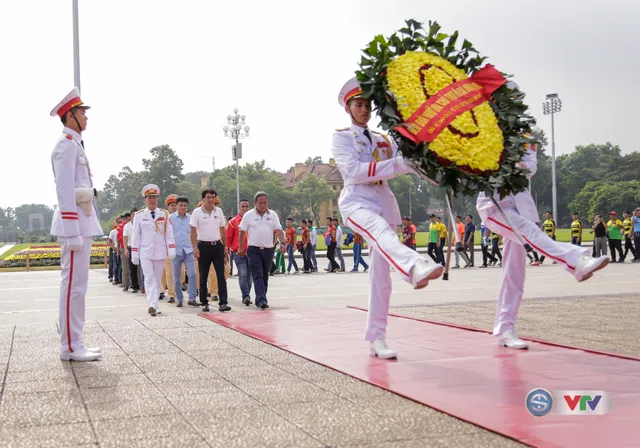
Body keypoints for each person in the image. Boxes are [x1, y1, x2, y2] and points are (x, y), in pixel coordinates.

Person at [332, 77, 443, 359]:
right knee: (382, 233)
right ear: (348, 108)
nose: (365, 109)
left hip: (384, 199)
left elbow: (411, 161)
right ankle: (414, 267)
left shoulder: (384, 139)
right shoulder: (342, 137)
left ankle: (377, 337)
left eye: (368, 104)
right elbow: (355, 171)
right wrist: (398, 164)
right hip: (357, 199)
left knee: (381, 277)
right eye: (359, 104)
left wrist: (440, 171)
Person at [477, 129, 609, 350]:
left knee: (514, 275)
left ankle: (505, 329)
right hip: (495, 206)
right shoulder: (481, 127)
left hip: (521, 207)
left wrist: (503, 166)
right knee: (531, 233)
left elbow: (530, 167)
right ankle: (576, 261)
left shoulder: (525, 136)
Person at [50, 87, 103, 362]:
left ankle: (76, 341)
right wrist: (71, 231)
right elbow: (64, 190)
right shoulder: (64, 146)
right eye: (82, 112)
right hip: (74, 226)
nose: (86, 117)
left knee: (79, 286)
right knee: (72, 286)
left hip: (82, 223)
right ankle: (70, 346)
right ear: (69, 116)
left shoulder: (75, 145)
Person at [130, 184, 176, 316]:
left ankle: (155, 305)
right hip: (145, 252)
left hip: (160, 252)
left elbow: (169, 233)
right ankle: (151, 304)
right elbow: (135, 235)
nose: (152, 200)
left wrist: (171, 248)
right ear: (145, 199)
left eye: (154, 197)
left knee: (157, 279)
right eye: (149, 197)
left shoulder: (164, 214)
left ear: (157, 199)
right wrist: (134, 253)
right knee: (149, 278)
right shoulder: (139, 216)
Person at [237, 191, 287, 309]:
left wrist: (283, 243)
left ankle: (261, 296)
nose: (263, 205)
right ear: (255, 203)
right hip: (253, 250)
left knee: (265, 276)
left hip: (268, 250)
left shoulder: (273, 215)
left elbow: (278, 230)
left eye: (265, 202)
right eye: (260, 203)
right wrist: (241, 247)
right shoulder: (248, 215)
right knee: (258, 274)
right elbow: (242, 232)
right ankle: (261, 300)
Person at [190, 189, 230, 313]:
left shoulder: (219, 211)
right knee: (203, 276)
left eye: (213, 197)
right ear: (203, 199)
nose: (211, 199)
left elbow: (222, 230)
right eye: (208, 197)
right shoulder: (197, 212)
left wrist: (225, 247)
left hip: (217, 246)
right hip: (203, 246)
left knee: (220, 276)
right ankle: (204, 302)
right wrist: (194, 247)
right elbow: (192, 231)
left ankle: (223, 302)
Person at [169, 196, 198, 307]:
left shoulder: (191, 218)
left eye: (185, 205)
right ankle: (179, 299)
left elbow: (195, 233)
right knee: (176, 277)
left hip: (189, 249)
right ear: (176, 206)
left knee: (192, 274)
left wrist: (195, 247)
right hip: (176, 251)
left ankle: (192, 298)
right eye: (181, 205)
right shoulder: (170, 218)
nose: (183, 207)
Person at [226, 199, 253, 305]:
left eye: (247, 206)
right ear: (239, 207)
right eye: (243, 206)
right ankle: (245, 295)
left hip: (252, 252)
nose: (245, 208)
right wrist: (227, 250)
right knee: (242, 273)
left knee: (249, 276)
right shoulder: (233, 222)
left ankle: (247, 295)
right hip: (238, 253)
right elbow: (228, 237)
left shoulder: (253, 220)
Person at [160, 194, 178, 302]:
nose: (174, 207)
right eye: (172, 205)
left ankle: (171, 291)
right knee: (165, 271)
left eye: (176, 205)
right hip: (165, 247)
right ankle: (168, 293)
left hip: (178, 248)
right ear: (168, 206)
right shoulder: (163, 217)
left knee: (177, 272)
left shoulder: (181, 217)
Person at [123, 208, 140, 293]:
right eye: (133, 214)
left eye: (137, 214)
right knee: (132, 268)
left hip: (142, 247)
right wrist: (126, 249)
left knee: (143, 268)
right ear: (131, 215)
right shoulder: (127, 226)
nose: (135, 216)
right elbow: (125, 238)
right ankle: (135, 286)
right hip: (131, 248)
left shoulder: (142, 224)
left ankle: (143, 285)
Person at [119, 213, 133, 291]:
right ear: (124, 220)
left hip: (134, 247)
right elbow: (120, 238)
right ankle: (126, 284)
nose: (129, 221)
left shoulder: (135, 224)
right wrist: (125, 248)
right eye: (127, 219)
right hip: (124, 247)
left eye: (129, 219)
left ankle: (134, 284)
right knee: (125, 267)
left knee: (134, 267)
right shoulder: (121, 227)